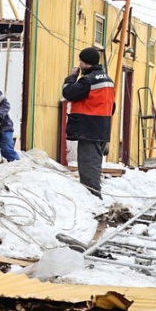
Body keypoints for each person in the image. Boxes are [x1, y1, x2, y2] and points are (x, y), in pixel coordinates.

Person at [62, 47, 115, 198]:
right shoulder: (108, 80)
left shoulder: (88, 80)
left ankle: (93, 198)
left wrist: (72, 76)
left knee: (88, 166)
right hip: (102, 127)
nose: (79, 64)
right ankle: (93, 195)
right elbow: (113, 106)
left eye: (81, 61)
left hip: (89, 129)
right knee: (94, 164)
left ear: (86, 63)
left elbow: (68, 92)